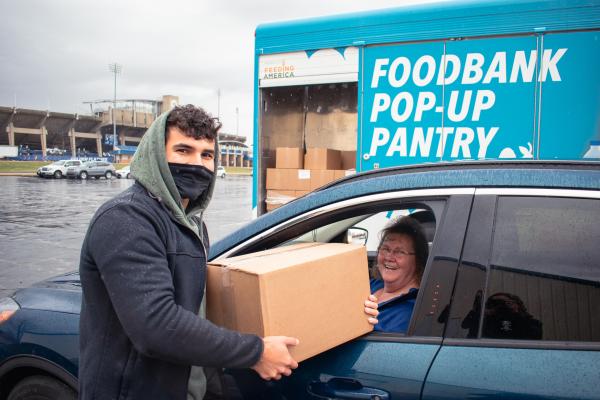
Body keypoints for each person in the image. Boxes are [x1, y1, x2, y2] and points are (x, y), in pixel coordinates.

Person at [79, 104, 378, 400]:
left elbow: (202, 308)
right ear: (157, 155)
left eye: (207, 155)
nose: (197, 164)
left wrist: (346, 307)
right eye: (183, 151)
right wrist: (256, 352)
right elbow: (156, 326)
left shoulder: (191, 224)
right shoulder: (126, 219)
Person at [370, 215, 429, 333]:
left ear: (418, 260)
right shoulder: (371, 284)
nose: (389, 257)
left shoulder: (410, 312)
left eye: (399, 252)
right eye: (385, 249)